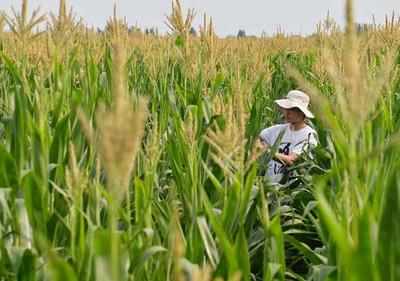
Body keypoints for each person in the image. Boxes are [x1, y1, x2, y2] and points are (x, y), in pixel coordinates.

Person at [258, 90, 318, 184]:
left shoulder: (308, 135)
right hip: (268, 188)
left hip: (290, 191)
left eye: (291, 109)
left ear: (301, 112)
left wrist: (265, 151)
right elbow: (255, 137)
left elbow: (291, 160)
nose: (286, 113)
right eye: (286, 108)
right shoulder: (278, 129)